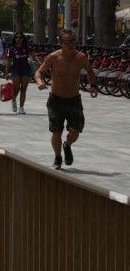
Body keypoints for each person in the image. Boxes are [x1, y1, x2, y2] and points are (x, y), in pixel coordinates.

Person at [34, 29, 98, 169]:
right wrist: (39, 82)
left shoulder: (81, 57)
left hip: (74, 99)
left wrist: (93, 85)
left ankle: (67, 144)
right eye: (67, 42)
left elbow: (90, 71)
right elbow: (39, 72)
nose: (71, 44)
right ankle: (58, 157)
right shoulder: (53, 57)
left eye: (73, 41)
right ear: (60, 43)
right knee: (57, 131)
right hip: (56, 100)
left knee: (75, 131)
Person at [5, 31, 33, 114]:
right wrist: (6, 72)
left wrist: (40, 64)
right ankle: (13, 100)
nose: (18, 39)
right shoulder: (12, 49)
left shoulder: (27, 48)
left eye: (20, 37)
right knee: (16, 89)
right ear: (14, 39)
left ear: (23, 38)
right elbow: (8, 61)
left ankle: (21, 107)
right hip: (16, 71)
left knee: (23, 89)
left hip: (26, 70)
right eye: (17, 37)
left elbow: (34, 56)